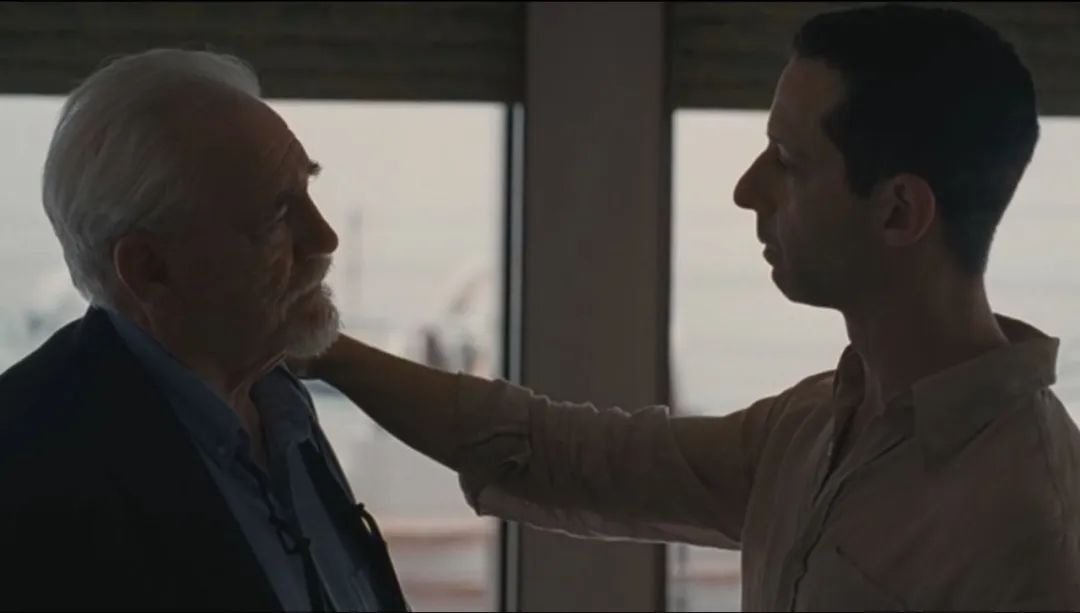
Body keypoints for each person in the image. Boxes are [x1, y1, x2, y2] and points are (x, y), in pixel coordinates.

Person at [293, 5, 1080, 611]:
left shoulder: (1029, 520)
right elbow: (562, 453)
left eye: (788, 162)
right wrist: (320, 346)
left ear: (900, 211)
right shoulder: (815, 424)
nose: (746, 190)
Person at [0, 49, 407, 611]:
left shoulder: (279, 407)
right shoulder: (28, 465)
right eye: (276, 215)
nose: (324, 237)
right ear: (149, 269)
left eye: (307, 191)